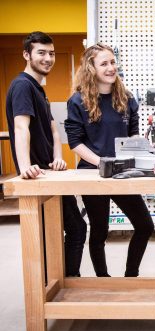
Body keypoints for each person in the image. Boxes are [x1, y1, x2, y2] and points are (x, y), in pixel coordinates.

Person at [64, 43, 154, 277]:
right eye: (104, 63)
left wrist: (138, 147)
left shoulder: (125, 97)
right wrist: (101, 162)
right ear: (91, 68)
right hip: (93, 174)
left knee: (145, 226)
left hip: (123, 173)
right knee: (99, 232)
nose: (111, 67)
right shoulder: (78, 101)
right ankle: (103, 279)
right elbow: (76, 143)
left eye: (113, 62)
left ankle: (130, 276)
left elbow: (133, 132)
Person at [6, 31, 87, 277]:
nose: (48, 58)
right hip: (36, 176)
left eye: (51, 53)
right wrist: (24, 167)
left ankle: (64, 280)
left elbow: (52, 128)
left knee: (74, 228)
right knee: (49, 234)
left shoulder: (38, 89)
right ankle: (54, 284)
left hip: (48, 172)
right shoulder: (22, 86)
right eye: (41, 53)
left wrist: (57, 157)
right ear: (26, 54)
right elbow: (21, 127)